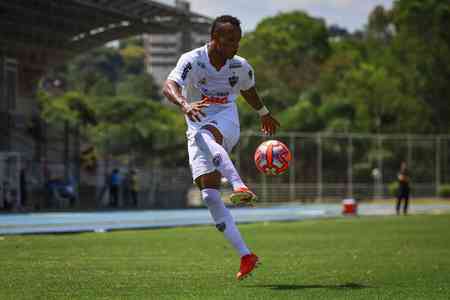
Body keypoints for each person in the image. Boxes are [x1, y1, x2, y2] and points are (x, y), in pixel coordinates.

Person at [163, 15, 280, 280]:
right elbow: (169, 85)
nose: (235, 46)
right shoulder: (192, 59)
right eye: (230, 41)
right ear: (214, 40)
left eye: (238, 41)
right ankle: (246, 255)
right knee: (210, 196)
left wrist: (263, 112)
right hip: (194, 120)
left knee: (207, 137)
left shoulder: (240, 66)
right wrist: (184, 104)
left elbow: (248, 89)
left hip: (226, 119)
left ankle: (239, 185)